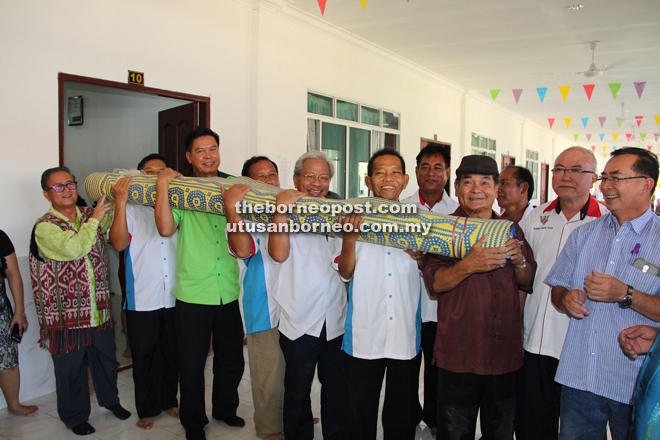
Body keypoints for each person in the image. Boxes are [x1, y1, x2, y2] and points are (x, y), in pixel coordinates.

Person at [547, 147, 660, 440]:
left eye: (616, 178)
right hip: (580, 376)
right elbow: (557, 289)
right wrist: (566, 299)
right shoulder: (584, 234)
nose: (606, 186)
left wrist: (626, 294)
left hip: (635, 380)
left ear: (646, 184)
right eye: (605, 178)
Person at [421, 155, 536, 440]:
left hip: (505, 354)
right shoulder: (443, 229)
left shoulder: (510, 228)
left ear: (495, 189)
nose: (476, 189)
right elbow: (435, 283)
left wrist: (520, 261)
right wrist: (468, 264)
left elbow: (528, 281)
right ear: (457, 188)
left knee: (500, 432)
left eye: (485, 182)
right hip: (460, 354)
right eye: (468, 182)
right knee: (454, 432)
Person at [155, 128, 244, 440]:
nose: (209, 155)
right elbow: (166, 228)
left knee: (231, 359)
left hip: (228, 291)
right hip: (194, 293)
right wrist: (164, 185)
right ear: (189, 157)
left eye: (213, 148)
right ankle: (193, 422)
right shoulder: (182, 191)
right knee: (191, 365)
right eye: (201, 151)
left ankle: (225, 409)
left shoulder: (234, 187)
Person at [29, 166, 130, 436]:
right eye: (58, 186)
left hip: (98, 311)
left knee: (106, 361)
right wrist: (96, 218)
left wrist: (115, 202)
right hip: (66, 318)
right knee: (70, 371)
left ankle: (110, 401)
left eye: (70, 184)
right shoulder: (44, 227)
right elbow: (75, 248)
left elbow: (114, 231)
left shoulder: (88, 215)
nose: (66, 189)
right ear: (46, 194)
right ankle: (74, 417)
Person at [516, 146, 606, 440]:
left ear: (593, 178)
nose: (566, 176)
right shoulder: (536, 218)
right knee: (532, 420)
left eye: (576, 170)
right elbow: (521, 273)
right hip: (536, 339)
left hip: (578, 343)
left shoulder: (605, 222)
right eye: (559, 169)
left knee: (573, 427)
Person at [336, 149, 423, 440]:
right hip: (364, 330)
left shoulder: (423, 220)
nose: (388, 178)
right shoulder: (352, 214)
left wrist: (420, 257)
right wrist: (349, 239)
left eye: (395, 172)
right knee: (358, 410)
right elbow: (345, 273)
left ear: (405, 179)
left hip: (404, 332)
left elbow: (431, 271)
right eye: (380, 173)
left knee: (401, 412)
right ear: (368, 180)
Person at [269, 151, 347, 440]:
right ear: (296, 179)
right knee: (298, 390)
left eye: (323, 177)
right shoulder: (281, 210)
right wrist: (280, 211)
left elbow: (343, 266)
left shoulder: (335, 212)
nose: (317, 183)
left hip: (335, 319)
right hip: (299, 318)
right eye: (310, 176)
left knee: (335, 388)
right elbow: (277, 255)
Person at [108, 153, 179, 431]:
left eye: (162, 172)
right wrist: (121, 201)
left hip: (175, 294)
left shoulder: (177, 205)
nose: (156, 176)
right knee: (144, 355)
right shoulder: (129, 209)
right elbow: (118, 244)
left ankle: (169, 401)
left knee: (171, 352)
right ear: (138, 175)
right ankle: (147, 408)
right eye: (149, 172)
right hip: (142, 297)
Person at [223, 155, 285, 440]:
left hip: (295, 303)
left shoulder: (289, 209)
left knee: (295, 368)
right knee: (268, 373)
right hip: (263, 303)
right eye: (259, 176)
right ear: (246, 184)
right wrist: (232, 211)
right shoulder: (240, 217)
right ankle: (270, 428)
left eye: (271, 174)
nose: (268, 180)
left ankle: (293, 413)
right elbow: (243, 250)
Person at [401, 144, 458, 437]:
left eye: (438, 167)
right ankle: (408, 415)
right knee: (407, 366)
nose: (431, 173)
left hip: (441, 306)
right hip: (407, 303)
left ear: (447, 173)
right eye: (425, 166)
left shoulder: (458, 212)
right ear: (416, 172)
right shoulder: (400, 208)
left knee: (438, 368)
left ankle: (435, 419)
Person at [0, 230, 38, 417]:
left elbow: (13, 274)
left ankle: (13, 405)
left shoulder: (0, 237)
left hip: (0, 311)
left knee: (8, 362)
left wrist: (19, 311)